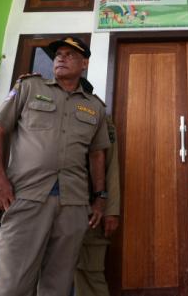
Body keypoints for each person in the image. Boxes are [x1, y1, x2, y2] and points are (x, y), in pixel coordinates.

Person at [0, 36, 111, 296]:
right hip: (26, 196)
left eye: (70, 54)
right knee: (12, 285)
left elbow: (97, 154)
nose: (61, 58)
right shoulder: (29, 87)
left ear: (85, 63)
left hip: (73, 202)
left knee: (59, 284)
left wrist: (100, 197)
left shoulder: (94, 107)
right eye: (58, 55)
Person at [75, 115, 120, 296]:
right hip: (45, 205)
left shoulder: (96, 113)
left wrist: (111, 210)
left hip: (89, 209)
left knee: (89, 272)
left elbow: (111, 165)